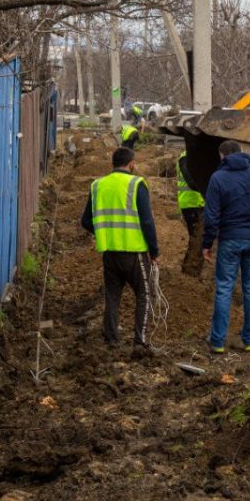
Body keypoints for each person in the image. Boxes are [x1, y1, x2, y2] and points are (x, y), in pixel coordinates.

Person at [202, 140, 250, 354]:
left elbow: (211, 216)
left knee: (224, 289)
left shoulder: (218, 178)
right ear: (241, 153)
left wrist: (207, 243)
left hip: (229, 240)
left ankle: (217, 342)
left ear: (223, 156)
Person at [80, 147, 160, 351]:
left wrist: (105, 232)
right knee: (145, 294)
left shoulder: (97, 185)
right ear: (131, 164)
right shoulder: (136, 184)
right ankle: (140, 341)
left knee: (112, 297)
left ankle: (111, 339)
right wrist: (154, 251)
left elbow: (86, 221)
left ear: (113, 163)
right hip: (135, 253)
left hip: (110, 253)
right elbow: (147, 222)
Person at [176, 150, 206, 277]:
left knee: (200, 238)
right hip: (190, 203)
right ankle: (189, 271)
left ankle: (192, 271)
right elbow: (191, 181)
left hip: (199, 202)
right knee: (196, 237)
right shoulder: (185, 157)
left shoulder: (197, 157)